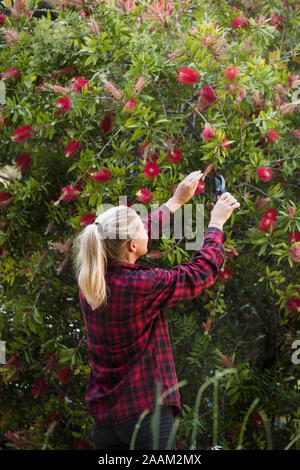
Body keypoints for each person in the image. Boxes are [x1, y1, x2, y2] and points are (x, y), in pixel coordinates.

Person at [72, 170, 240, 450]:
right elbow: (198, 274)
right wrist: (216, 223)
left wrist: (176, 201)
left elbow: (133, 232)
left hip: (106, 422)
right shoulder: (140, 285)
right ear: (133, 245)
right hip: (145, 417)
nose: (144, 227)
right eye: (140, 228)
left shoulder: (90, 280)